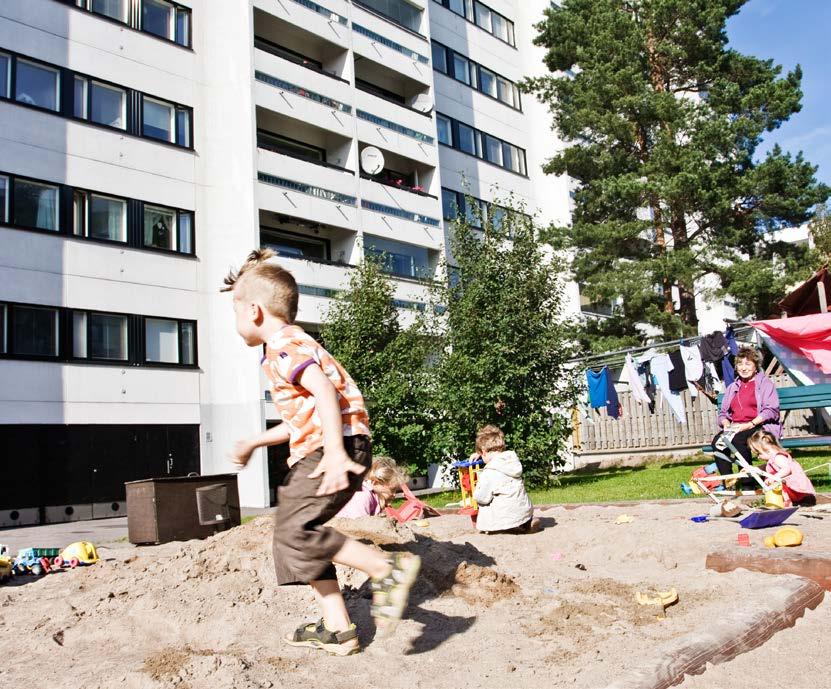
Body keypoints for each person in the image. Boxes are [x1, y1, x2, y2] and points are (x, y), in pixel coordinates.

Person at [223, 248, 420, 656]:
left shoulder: (283, 347)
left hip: (334, 449)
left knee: (296, 531)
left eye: (236, 310)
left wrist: (332, 450)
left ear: (255, 310)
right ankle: (337, 628)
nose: (235, 320)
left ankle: (383, 568)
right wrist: (255, 442)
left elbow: (324, 390)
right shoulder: (286, 347)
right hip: (332, 446)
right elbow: (300, 417)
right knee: (290, 536)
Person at [711, 346, 780, 487]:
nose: (743, 368)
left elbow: (771, 410)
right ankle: (728, 481)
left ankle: (748, 482)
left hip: (758, 425)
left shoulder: (765, 384)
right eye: (740, 364)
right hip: (736, 427)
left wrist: (750, 424)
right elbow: (723, 413)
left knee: (739, 440)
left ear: (756, 366)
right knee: (717, 443)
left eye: (747, 364)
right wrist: (725, 423)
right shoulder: (732, 387)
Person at [471, 425, 537, 534]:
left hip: (504, 519)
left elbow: (482, 498)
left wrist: (475, 493)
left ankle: (510, 527)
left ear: (483, 452)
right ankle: (527, 524)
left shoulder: (489, 472)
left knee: (485, 503)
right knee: (513, 497)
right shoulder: (511, 462)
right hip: (524, 513)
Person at [749, 430, 817, 507]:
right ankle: (786, 503)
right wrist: (755, 468)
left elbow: (786, 469)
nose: (758, 457)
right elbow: (767, 467)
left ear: (767, 450)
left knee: (799, 499)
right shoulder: (772, 460)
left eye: (759, 453)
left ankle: (800, 502)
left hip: (797, 488)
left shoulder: (779, 457)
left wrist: (774, 478)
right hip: (789, 490)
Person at [336, 456, 409, 519]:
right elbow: (359, 528)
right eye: (392, 489)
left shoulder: (373, 496)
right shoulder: (362, 496)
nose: (394, 494)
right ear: (375, 483)